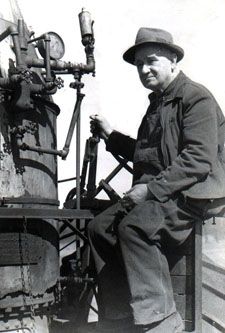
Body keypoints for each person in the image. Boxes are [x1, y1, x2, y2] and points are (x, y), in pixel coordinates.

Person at [85, 28, 225, 333]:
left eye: (151, 61)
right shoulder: (159, 104)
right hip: (166, 189)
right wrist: (112, 135)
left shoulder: (195, 97)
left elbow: (198, 160)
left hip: (195, 192)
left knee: (134, 227)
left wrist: (149, 190)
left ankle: (162, 322)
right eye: (138, 65)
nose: (144, 69)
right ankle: (121, 316)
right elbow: (148, 155)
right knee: (98, 228)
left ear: (173, 60)